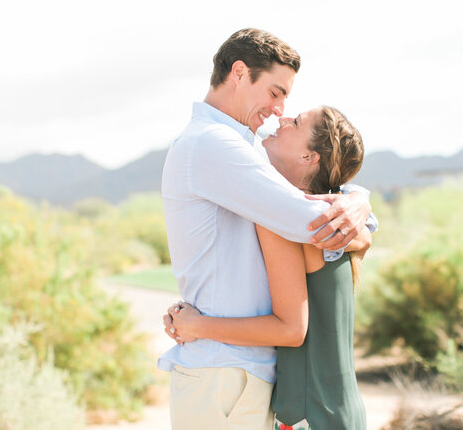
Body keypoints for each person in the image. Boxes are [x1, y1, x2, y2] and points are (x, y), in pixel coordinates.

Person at [158, 28, 375, 430]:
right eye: (276, 93)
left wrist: (358, 203)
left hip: (238, 374)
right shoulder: (213, 145)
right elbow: (310, 221)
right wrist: (357, 210)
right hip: (223, 375)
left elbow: (310, 209)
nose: (278, 111)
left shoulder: (244, 149)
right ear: (239, 73)